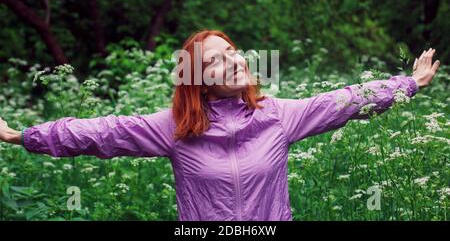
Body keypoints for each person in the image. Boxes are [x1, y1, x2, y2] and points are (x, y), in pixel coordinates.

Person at [0, 29, 441, 221]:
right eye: (214, 60)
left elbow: (345, 100)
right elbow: (102, 133)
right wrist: (21, 136)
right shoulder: (172, 128)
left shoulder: (277, 116)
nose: (232, 61)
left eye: (231, 51)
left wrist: (409, 84)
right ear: (197, 80)